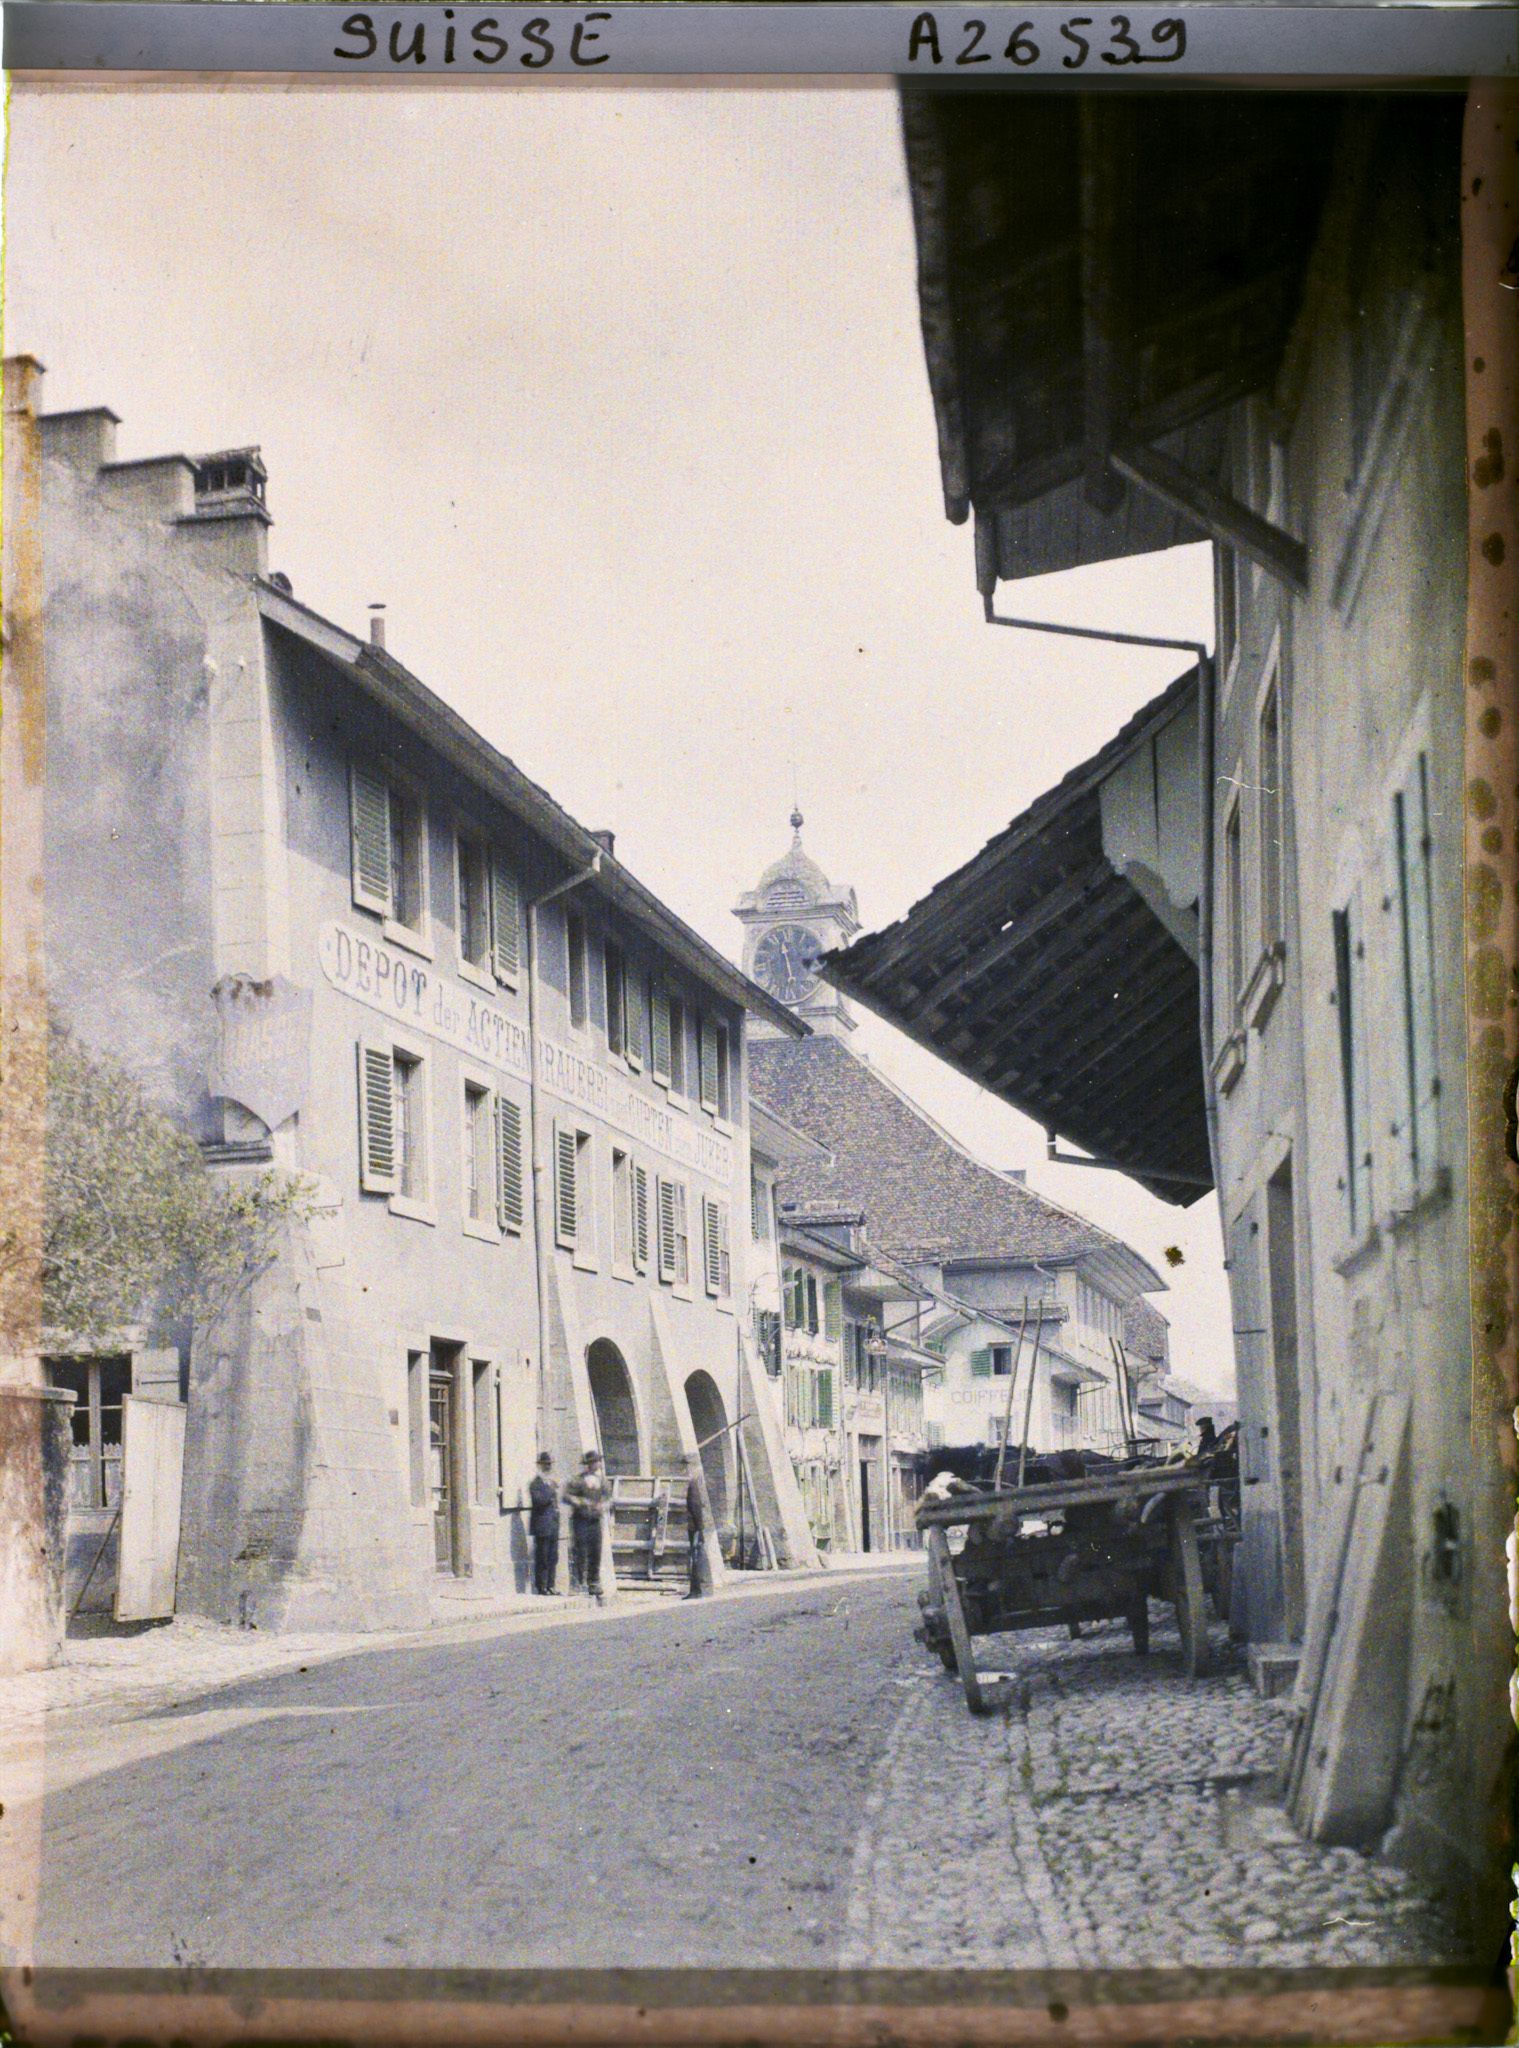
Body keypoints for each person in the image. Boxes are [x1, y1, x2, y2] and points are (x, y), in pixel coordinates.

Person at [565, 1448, 609, 1603]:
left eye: (597, 1462)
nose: (596, 1464)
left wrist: (603, 1505)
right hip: (581, 1520)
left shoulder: (602, 1481)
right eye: (593, 1462)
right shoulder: (577, 1480)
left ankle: (594, 1582)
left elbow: (608, 1498)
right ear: (588, 1464)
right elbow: (566, 1496)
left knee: (596, 1551)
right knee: (581, 1550)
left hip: (595, 1520)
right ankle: (578, 1583)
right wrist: (580, 1501)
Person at [528, 1452, 560, 1596]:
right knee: (543, 1557)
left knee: (553, 1557)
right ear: (540, 1466)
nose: (548, 1467)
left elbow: (555, 1504)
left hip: (552, 1525)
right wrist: (551, 1491)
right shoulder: (535, 1484)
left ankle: (551, 1585)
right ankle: (541, 1586)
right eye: (546, 1464)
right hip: (541, 1525)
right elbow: (539, 1501)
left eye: (550, 1464)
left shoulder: (550, 1483)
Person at [684, 1471, 706, 1599]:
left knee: (694, 1557)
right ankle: (697, 1589)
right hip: (693, 1526)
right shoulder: (694, 1483)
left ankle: (696, 1590)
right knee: (695, 1556)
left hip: (692, 1527)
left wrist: (699, 1528)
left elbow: (695, 1506)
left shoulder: (692, 1484)